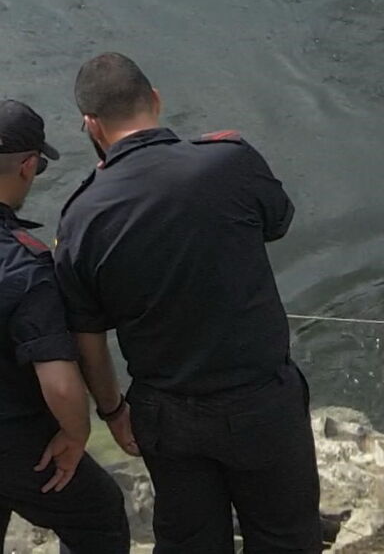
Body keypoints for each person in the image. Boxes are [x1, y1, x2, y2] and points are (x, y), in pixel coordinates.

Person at [54, 53, 322, 553]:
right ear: (155, 99)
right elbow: (277, 221)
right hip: (261, 399)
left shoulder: (81, 216)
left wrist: (113, 411)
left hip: (167, 413)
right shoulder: (231, 160)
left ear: (90, 125)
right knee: (287, 537)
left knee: (190, 542)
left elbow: (86, 334)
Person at [0, 100, 129, 553]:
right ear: (29, 166)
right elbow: (59, 383)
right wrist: (75, 435)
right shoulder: (24, 265)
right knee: (98, 515)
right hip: (13, 440)